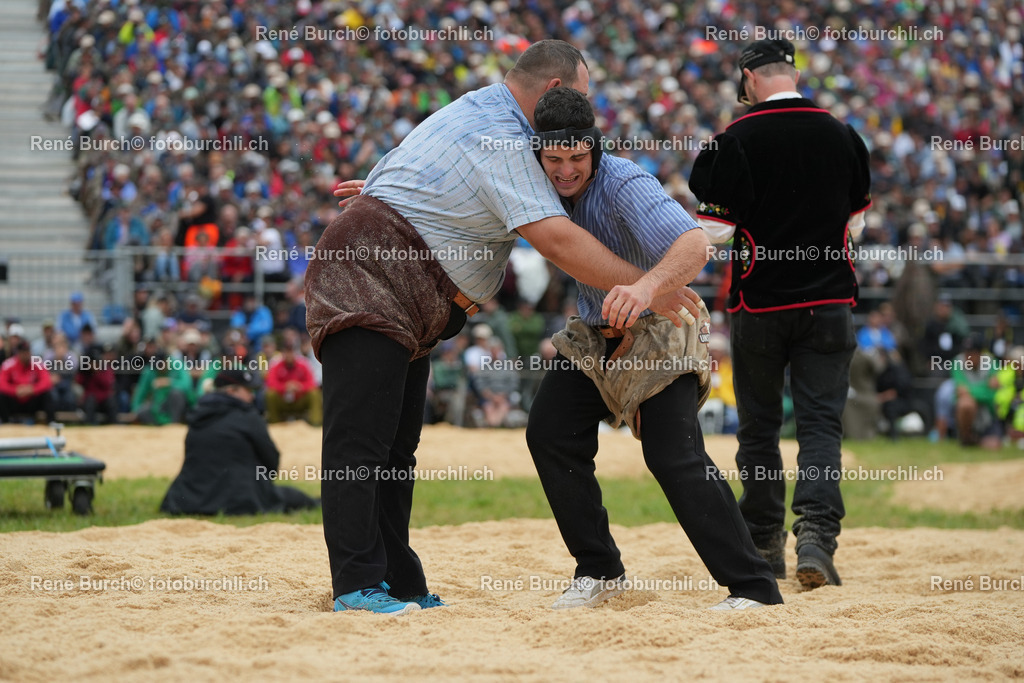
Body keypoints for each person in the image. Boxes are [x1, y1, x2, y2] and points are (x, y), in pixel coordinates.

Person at [306, 40, 699, 616]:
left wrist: (393, 192)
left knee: (396, 447)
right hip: (373, 273)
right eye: (581, 99)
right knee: (360, 443)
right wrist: (649, 288)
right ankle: (357, 585)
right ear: (555, 91)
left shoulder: (477, 108)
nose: (584, 117)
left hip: (402, 282)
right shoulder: (508, 138)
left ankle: (396, 578)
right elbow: (556, 240)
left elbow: (410, 163)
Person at [523, 87, 782, 610]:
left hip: (661, 325)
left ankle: (754, 588)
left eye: (578, 157)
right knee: (550, 433)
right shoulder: (528, 179)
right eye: (555, 159)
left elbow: (694, 244)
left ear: (594, 147)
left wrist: (645, 289)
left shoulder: (625, 183)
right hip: (597, 332)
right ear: (537, 153)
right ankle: (599, 570)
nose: (567, 170)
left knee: (673, 457)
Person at [690, 38, 872, 590]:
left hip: (759, 304)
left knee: (760, 428)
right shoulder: (843, 135)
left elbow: (714, 234)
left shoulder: (733, 141)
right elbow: (856, 226)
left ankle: (764, 543)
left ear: (748, 79)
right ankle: (816, 538)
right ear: (792, 72)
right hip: (829, 303)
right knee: (821, 425)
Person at [160, 369, 318, 515]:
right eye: (248, 390)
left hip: (189, 498)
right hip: (240, 499)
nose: (252, 396)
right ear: (231, 391)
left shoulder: (197, 416)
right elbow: (271, 459)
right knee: (296, 497)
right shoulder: (248, 416)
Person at [0, 341, 54, 424]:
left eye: (27, 352)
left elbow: (47, 382)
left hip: (31, 400)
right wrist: (15, 390)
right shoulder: (9, 364)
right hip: (15, 400)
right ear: (18, 353)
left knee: (48, 394)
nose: (26, 355)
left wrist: (32, 389)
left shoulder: (37, 363)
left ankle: (51, 423)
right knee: (2, 396)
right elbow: (2, 384)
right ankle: (5, 423)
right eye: (23, 352)